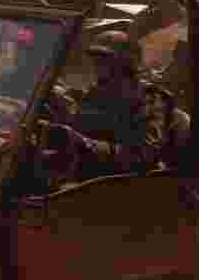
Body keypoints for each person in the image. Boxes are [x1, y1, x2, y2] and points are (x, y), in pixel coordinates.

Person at [51, 30, 190, 180]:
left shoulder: (149, 98)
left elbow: (143, 156)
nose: (96, 65)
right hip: (90, 177)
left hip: (131, 185)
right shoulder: (94, 95)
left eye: (105, 59)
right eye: (96, 59)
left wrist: (88, 145)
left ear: (125, 63)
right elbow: (79, 131)